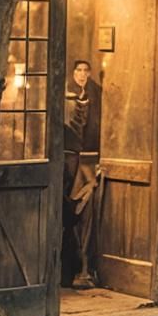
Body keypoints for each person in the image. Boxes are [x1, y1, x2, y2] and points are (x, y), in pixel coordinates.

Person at [62, 60, 102, 289]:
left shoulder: (94, 95)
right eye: (78, 70)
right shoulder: (66, 95)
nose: (82, 74)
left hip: (87, 162)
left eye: (86, 70)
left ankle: (83, 268)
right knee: (68, 213)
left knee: (83, 214)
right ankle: (69, 270)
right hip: (68, 162)